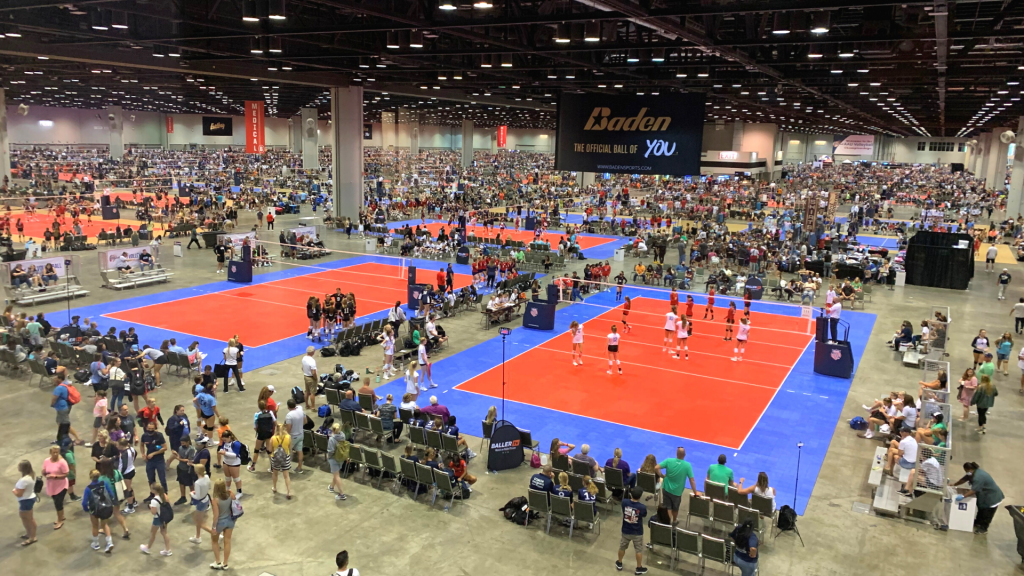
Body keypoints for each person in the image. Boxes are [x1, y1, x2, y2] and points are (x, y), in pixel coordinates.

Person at [951, 462, 1004, 534]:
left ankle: (983, 529)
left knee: (987, 513)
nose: (966, 472)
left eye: (966, 471)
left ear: (970, 469)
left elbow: (974, 490)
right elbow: (964, 479)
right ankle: (978, 522)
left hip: (992, 497)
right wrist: (954, 484)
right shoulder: (972, 473)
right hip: (985, 496)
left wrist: (963, 496)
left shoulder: (978, 477)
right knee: (981, 510)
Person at [655, 447, 701, 525]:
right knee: (675, 508)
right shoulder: (687, 465)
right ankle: (674, 521)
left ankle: (667, 523)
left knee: (668, 507)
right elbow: (692, 480)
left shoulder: (669, 461)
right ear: (684, 455)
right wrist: (695, 492)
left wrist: (662, 475)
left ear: (676, 454)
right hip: (677, 492)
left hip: (666, 488)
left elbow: (656, 467)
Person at [615, 486, 648, 575]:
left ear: (631, 494)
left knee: (622, 547)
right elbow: (644, 515)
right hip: (637, 532)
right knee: (638, 550)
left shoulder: (624, 502)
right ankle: (639, 567)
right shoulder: (642, 507)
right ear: (640, 496)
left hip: (625, 530)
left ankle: (619, 562)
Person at [82, 469, 115, 553]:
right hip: (105, 507)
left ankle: (96, 544)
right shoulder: (104, 483)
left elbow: (84, 503)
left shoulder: (88, 489)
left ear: (90, 477)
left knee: (95, 526)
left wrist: (87, 510)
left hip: (95, 510)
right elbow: (111, 494)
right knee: (105, 525)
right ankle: (109, 542)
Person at [210, 478, 237, 570]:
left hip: (220, 523)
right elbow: (235, 505)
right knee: (227, 541)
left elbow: (216, 515)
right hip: (230, 521)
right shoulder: (230, 493)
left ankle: (217, 562)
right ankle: (225, 563)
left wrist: (214, 527)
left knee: (214, 541)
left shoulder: (215, 500)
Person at [139, 483, 172, 556]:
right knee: (164, 532)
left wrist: (150, 507)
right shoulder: (164, 495)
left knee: (152, 533)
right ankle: (168, 549)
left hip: (158, 518)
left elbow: (153, 512)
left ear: (154, 490)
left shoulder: (154, 501)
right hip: (164, 517)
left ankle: (147, 547)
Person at [13, 460, 38, 546]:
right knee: (24, 517)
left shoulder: (24, 480)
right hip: (27, 499)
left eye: (19, 466)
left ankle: (33, 537)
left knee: (29, 519)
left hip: (26, 501)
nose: (18, 467)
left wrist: (14, 491)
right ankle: (29, 533)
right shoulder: (30, 476)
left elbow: (19, 494)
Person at [189, 463, 213, 545]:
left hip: (201, 502)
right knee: (198, 520)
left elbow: (198, 497)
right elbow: (209, 487)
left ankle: (214, 533)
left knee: (199, 522)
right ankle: (197, 537)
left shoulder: (197, 483)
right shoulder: (207, 477)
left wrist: (191, 494)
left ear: (196, 472)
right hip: (206, 499)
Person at [269, 423, 293, 499]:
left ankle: (274, 487)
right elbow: (289, 448)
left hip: (275, 458)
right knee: (286, 476)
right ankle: (289, 492)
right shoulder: (288, 437)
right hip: (285, 458)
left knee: (275, 473)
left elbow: (270, 449)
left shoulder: (273, 438)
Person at [326, 422, 349, 501]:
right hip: (341, 457)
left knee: (336, 476)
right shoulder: (343, 435)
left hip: (334, 458)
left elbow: (331, 451)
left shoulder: (332, 439)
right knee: (336, 473)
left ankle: (341, 494)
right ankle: (331, 487)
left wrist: (328, 457)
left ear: (332, 429)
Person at [284, 399, 307, 474]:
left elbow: (288, 428)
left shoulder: (289, 415)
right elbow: (305, 421)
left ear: (288, 406)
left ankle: (285, 467)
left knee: (287, 451)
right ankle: (299, 467)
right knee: (300, 451)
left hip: (293, 436)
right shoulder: (301, 411)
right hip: (301, 434)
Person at [301, 346, 318, 410]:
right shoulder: (312, 361)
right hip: (311, 378)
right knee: (312, 393)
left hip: (306, 376)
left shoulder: (304, 358)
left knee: (307, 391)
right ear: (313, 352)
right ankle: (313, 407)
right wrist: (315, 378)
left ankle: (306, 405)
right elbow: (313, 372)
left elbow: (302, 368)